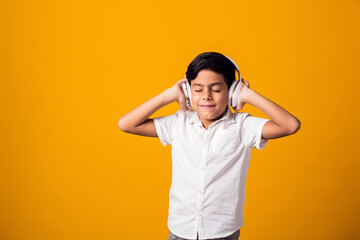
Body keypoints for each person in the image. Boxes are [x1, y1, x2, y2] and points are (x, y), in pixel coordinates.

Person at [118, 52, 301, 240]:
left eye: (216, 89)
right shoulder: (178, 123)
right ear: (188, 92)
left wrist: (247, 94)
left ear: (231, 92)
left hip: (221, 231)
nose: (206, 96)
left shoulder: (243, 126)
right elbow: (126, 124)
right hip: (181, 229)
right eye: (197, 90)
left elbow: (290, 125)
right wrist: (169, 95)